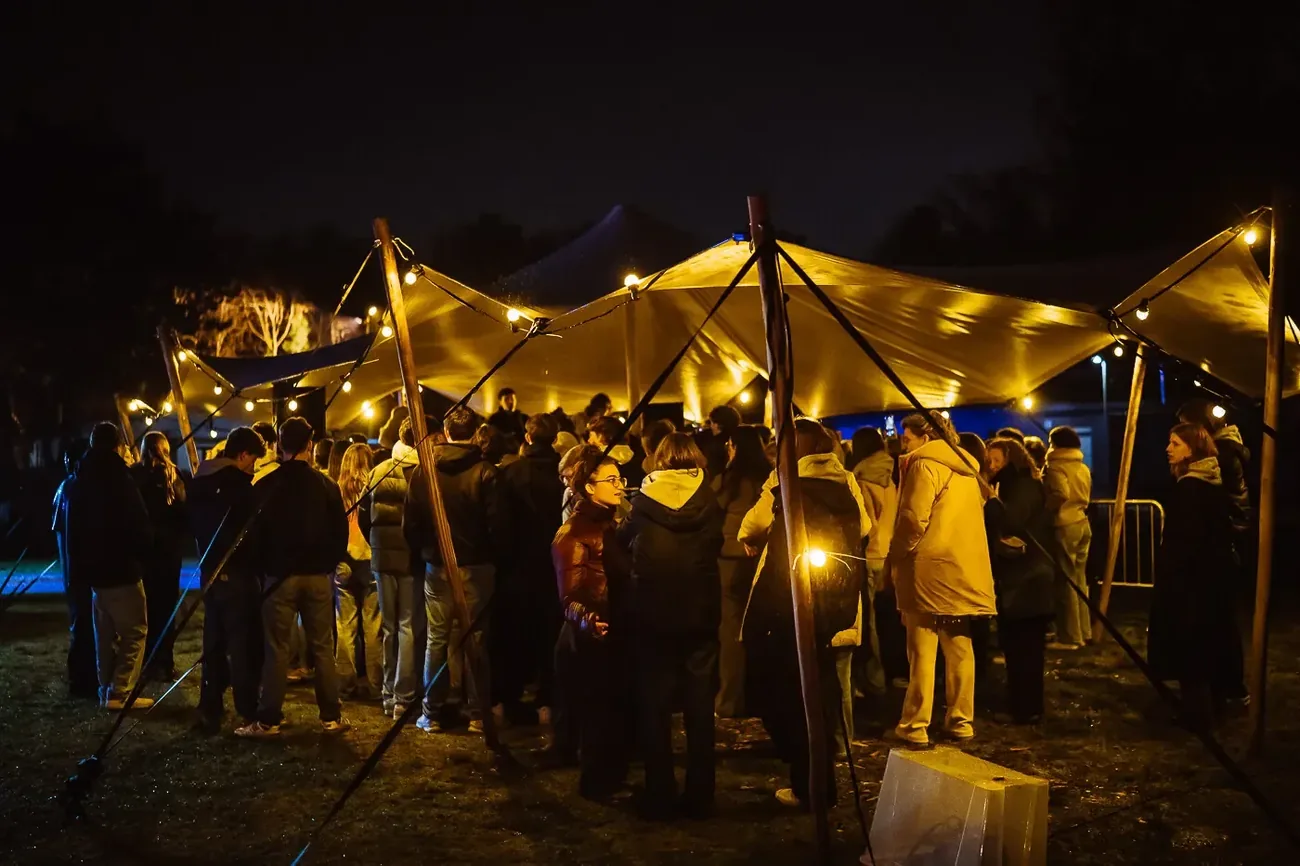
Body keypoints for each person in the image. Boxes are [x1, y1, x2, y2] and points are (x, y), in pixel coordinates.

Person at [740, 418, 870, 808]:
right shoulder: (846, 481)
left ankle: (807, 783)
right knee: (826, 687)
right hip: (835, 601)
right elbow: (865, 526)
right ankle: (825, 770)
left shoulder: (782, 484)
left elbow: (751, 526)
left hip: (788, 602)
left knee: (785, 693)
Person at [621, 433, 725, 819]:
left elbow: (623, 543)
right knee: (700, 706)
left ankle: (659, 789)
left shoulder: (641, 504)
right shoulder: (709, 502)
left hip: (652, 614)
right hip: (699, 614)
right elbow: (714, 546)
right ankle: (701, 791)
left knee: (655, 705)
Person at [886, 412, 995, 746]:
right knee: (960, 644)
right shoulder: (967, 468)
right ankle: (961, 720)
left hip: (929, 566)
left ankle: (915, 724)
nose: (903, 445)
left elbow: (912, 518)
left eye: (907, 439)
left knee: (922, 647)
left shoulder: (924, 465)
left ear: (925, 436)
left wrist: (897, 553)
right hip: (962, 565)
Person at [236, 417, 350, 737]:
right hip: (316, 577)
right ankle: (330, 715)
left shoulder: (267, 485)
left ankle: (269, 718)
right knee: (323, 647)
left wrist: (264, 569)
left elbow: (254, 536)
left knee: (277, 649)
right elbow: (338, 533)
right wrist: (327, 563)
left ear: (278, 446)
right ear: (309, 446)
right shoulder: (326, 485)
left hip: (279, 578)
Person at [408, 407, 508, 734]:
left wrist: (427, 551)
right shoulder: (485, 472)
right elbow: (499, 526)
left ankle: (432, 712)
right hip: (477, 567)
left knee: (437, 639)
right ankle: (479, 713)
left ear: (447, 432)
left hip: (437, 566)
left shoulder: (425, 472)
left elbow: (412, 524)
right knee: (476, 639)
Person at [1148, 422, 1245, 729]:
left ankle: (1198, 715)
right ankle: (1213, 709)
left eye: (1175, 443)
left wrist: (1169, 576)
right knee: (1210, 644)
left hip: (1191, 584)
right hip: (1211, 581)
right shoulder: (1210, 484)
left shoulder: (1190, 488)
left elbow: (1185, 541)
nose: (1168, 448)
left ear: (1193, 449)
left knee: (1191, 647)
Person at [552, 447, 632, 800]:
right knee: (598, 712)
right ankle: (597, 784)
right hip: (590, 639)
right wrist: (591, 621)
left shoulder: (610, 525)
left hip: (615, 633)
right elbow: (570, 596)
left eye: (620, 479)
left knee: (614, 710)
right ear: (588, 487)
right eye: (611, 480)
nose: (619, 486)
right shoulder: (573, 533)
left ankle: (611, 778)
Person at [63, 422, 155, 710]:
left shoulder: (79, 481)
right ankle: (120, 689)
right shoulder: (121, 480)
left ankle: (106, 688)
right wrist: (143, 554)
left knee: (103, 633)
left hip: (93, 574)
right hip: (122, 569)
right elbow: (137, 525)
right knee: (135, 631)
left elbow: (72, 531)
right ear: (118, 445)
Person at [191, 427, 267, 732]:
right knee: (243, 644)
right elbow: (253, 534)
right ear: (243, 455)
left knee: (214, 642)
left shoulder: (200, 483)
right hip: (239, 574)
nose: (253, 467)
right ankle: (247, 707)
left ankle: (210, 705)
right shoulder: (239, 486)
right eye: (253, 460)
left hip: (210, 574)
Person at [497, 413, 566, 725]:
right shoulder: (563, 474)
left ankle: (510, 697)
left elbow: (501, 523)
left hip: (519, 566)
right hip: (555, 566)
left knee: (516, 634)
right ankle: (547, 699)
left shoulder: (511, 474)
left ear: (527, 437)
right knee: (550, 634)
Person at [985, 438, 1057, 724]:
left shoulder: (1024, 486)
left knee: (1026, 647)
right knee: (1016, 645)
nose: (990, 465)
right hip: (1021, 577)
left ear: (1010, 458)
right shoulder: (1012, 485)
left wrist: (990, 500)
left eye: (995, 459)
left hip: (1030, 578)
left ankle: (1027, 708)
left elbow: (1012, 520)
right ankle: (1020, 703)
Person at [712, 425, 770, 717]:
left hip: (730, 562)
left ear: (734, 447)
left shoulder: (728, 482)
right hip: (763, 562)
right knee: (762, 632)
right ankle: (763, 698)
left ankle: (730, 700)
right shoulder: (769, 479)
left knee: (731, 633)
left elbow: (710, 515)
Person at [369, 417, 423, 718]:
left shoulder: (379, 471)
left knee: (388, 627)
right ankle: (403, 695)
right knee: (407, 626)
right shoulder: (421, 473)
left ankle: (388, 693)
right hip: (410, 559)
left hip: (381, 559)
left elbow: (366, 517)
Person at [131, 431, 189, 680]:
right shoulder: (175, 475)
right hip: (169, 552)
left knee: (145, 608)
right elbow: (183, 511)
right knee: (166, 608)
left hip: (144, 552)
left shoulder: (134, 475)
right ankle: (164, 661)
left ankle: (145, 662)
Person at [850, 427, 897, 697]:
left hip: (870, 555)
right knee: (890, 619)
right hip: (890, 554)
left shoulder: (861, 478)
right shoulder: (893, 475)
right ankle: (895, 673)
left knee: (869, 623)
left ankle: (874, 678)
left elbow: (864, 524)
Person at [335, 443, 382, 700]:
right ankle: (376, 684)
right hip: (370, 560)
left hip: (344, 561)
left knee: (345, 626)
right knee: (373, 626)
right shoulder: (374, 489)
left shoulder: (336, 491)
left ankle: (345, 684)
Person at [53, 443, 98, 700]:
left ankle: (81, 679)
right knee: (84, 626)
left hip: (72, 571)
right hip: (80, 570)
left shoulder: (65, 489)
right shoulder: (75, 489)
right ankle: (84, 681)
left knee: (80, 625)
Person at [1042, 426, 1092, 650]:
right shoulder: (1081, 467)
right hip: (1082, 522)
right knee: (1080, 579)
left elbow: (1060, 494)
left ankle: (1070, 637)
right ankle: (1084, 631)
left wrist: (1044, 511)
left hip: (1064, 523)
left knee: (1066, 582)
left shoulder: (1055, 466)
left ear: (1055, 443)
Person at [587, 415, 640, 487]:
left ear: (601, 435)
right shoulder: (636, 458)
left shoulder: (600, 461)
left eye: (591, 435)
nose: (589, 440)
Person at [705, 406, 742, 477]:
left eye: (712, 422)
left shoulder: (714, 445)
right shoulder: (739, 440)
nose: (711, 426)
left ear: (719, 424)